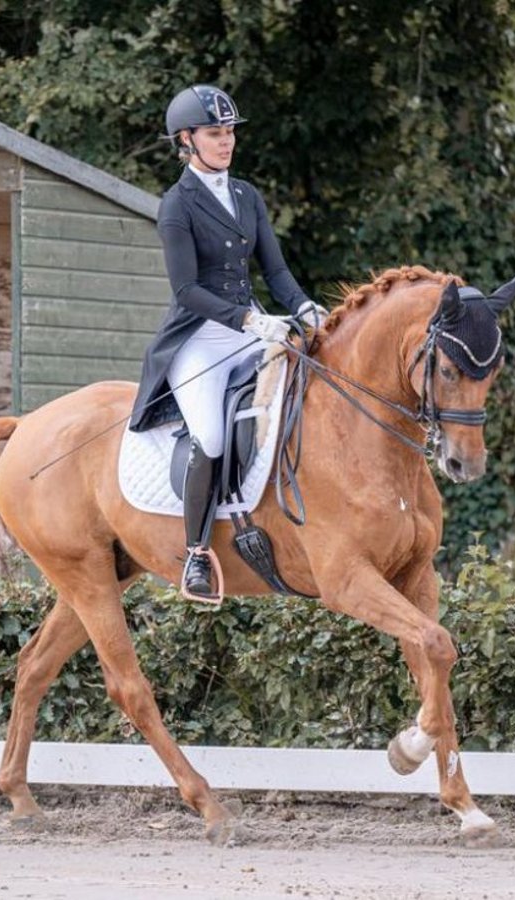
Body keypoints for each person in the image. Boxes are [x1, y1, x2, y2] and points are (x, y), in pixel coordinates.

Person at [129, 84, 329, 600]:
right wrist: (248, 319)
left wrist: (305, 307)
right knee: (213, 439)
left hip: (252, 328)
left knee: (308, 394)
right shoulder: (177, 205)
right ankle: (197, 554)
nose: (227, 142)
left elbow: (276, 269)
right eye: (215, 134)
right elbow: (187, 291)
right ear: (187, 140)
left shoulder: (246, 196)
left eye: (230, 132)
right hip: (200, 339)